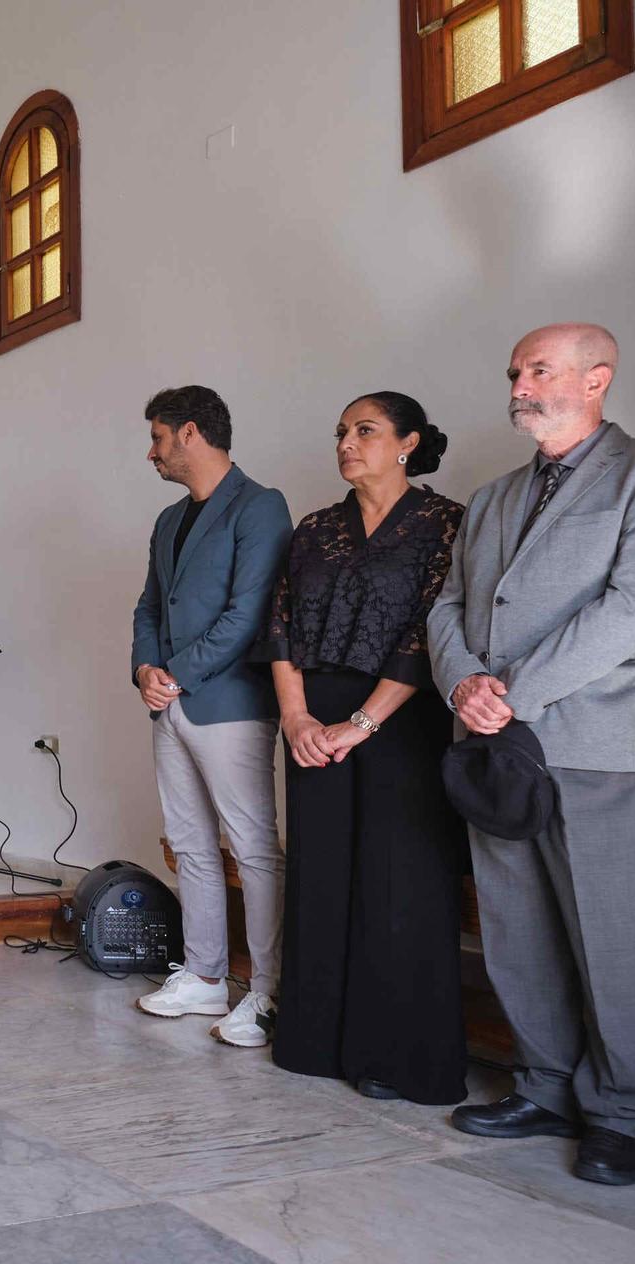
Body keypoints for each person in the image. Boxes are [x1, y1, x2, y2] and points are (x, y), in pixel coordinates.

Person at [430, 323, 635, 1187]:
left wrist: (514, 695)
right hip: (493, 743)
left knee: (613, 936)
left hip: (592, 740)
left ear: (598, 377)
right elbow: (451, 606)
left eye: (539, 369)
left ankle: (621, 1115)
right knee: (516, 926)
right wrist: (464, 684)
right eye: (515, 372)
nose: (520, 384)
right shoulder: (494, 494)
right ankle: (542, 1087)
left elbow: (634, 603)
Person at [262, 393, 467, 1103]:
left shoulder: (445, 523)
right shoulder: (316, 529)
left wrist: (366, 721)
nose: (347, 442)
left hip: (403, 719)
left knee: (399, 880)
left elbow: (430, 630)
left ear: (408, 441)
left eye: (365, 430)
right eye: (342, 430)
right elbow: (280, 625)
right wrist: (295, 719)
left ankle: (396, 1055)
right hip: (314, 721)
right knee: (319, 875)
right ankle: (313, 1042)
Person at [130, 386, 291, 1046]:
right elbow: (147, 608)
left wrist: (177, 674)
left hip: (231, 703)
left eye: (160, 438)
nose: (152, 451)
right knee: (190, 842)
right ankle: (203, 974)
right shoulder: (169, 520)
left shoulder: (261, 507)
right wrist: (145, 669)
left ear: (192, 433)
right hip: (168, 703)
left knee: (253, 848)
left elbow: (250, 613)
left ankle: (270, 989)